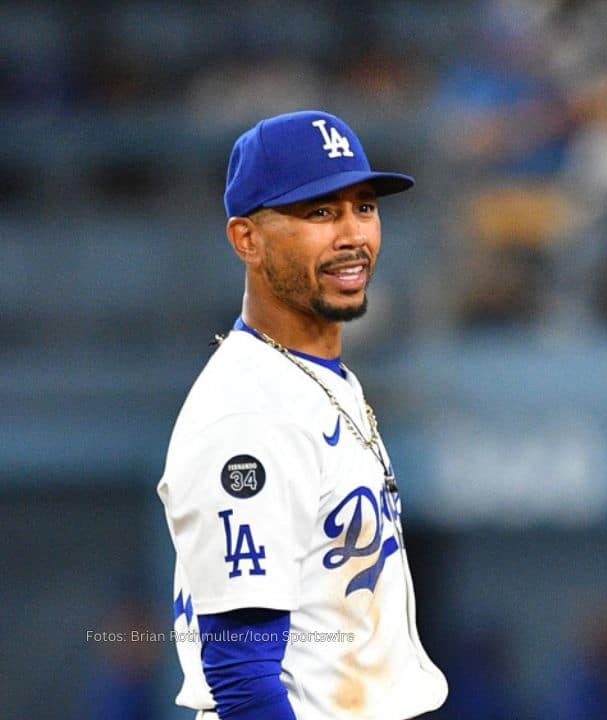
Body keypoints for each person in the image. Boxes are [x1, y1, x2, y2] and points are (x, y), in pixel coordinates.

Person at [157, 110, 447, 719]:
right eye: (319, 212)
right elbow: (242, 673)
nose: (352, 234)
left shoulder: (313, 376)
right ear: (247, 240)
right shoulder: (248, 415)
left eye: (364, 207)